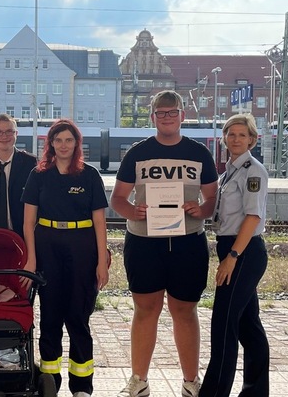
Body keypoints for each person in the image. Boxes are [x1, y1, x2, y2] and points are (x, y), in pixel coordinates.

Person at [111, 90, 218, 397]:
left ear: (183, 115)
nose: (168, 117)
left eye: (173, 112)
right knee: (145, 309)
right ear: (153, 116)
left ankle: (190, 382)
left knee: (185, 309)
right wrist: (133, 211)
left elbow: (212, 198)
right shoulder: (137, 153)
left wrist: (203, 209)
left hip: (188, 242)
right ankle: (139, 380)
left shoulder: (199, 153)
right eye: (161, 113)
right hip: (144, 242)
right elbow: (118, 199)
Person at [21, 119, 109, 397]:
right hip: (47, 246)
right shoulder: (39, 174)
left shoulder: (89, 175)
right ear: (50, 144)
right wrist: (31, 259)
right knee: (50, 317)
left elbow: (99, 222)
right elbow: (28, 223)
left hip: (82, 247)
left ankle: (81, 386)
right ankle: (49, 383)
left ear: (76, 144)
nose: (63, 145)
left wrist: (102, 261)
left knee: (78, 316)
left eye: (68, 140)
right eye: (58, 140)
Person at [199, 114, 270, 397]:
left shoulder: (253, 170)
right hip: (233, 248)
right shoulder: (229, 171)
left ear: (252, 139)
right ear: (224, 139)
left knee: (224, 322)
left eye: (242, 135)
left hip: (244, 251)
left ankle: (214, 393)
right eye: (231, 134)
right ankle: (255, 392)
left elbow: (252, 217)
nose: (236, 139)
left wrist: (232, 256)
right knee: (248, 326)